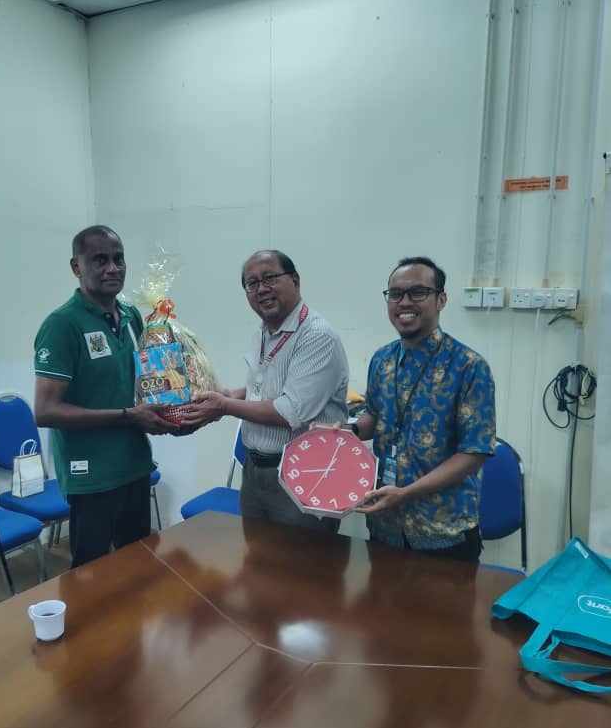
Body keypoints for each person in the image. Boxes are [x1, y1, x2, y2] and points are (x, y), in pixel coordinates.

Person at [34, 225, 174, 568]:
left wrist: (175, 405)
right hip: (91, 477)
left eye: (118, 259)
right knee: (91, 577)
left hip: (134, 465)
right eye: (99, 260)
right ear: (76, 267)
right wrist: (127, 416)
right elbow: (46, 411)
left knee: (137, 567)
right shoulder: (62, 325)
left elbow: (146, 384)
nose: (112, 268)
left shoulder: (132, 316)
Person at [180, 250, 349, 532]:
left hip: (304, 474)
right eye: (252, 283)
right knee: (256, 555)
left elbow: (291, 411)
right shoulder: (263, 332)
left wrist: (224, 406)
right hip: (255, 470)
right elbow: (267, 386)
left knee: (301, 558)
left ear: (295, 280)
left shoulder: (317, 335)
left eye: (270, 278)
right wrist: (232, 395)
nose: (261, 289)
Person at [353, 256, 496, 560]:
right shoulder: (381, 360)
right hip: (384, 526)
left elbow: (474, 452)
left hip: (443, 532)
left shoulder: (469, 366)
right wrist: (347, 431)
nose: (405, 302)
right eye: (395, 294)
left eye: (417, 292)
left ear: (441, 300)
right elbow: (373, 416)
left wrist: (406, 494)